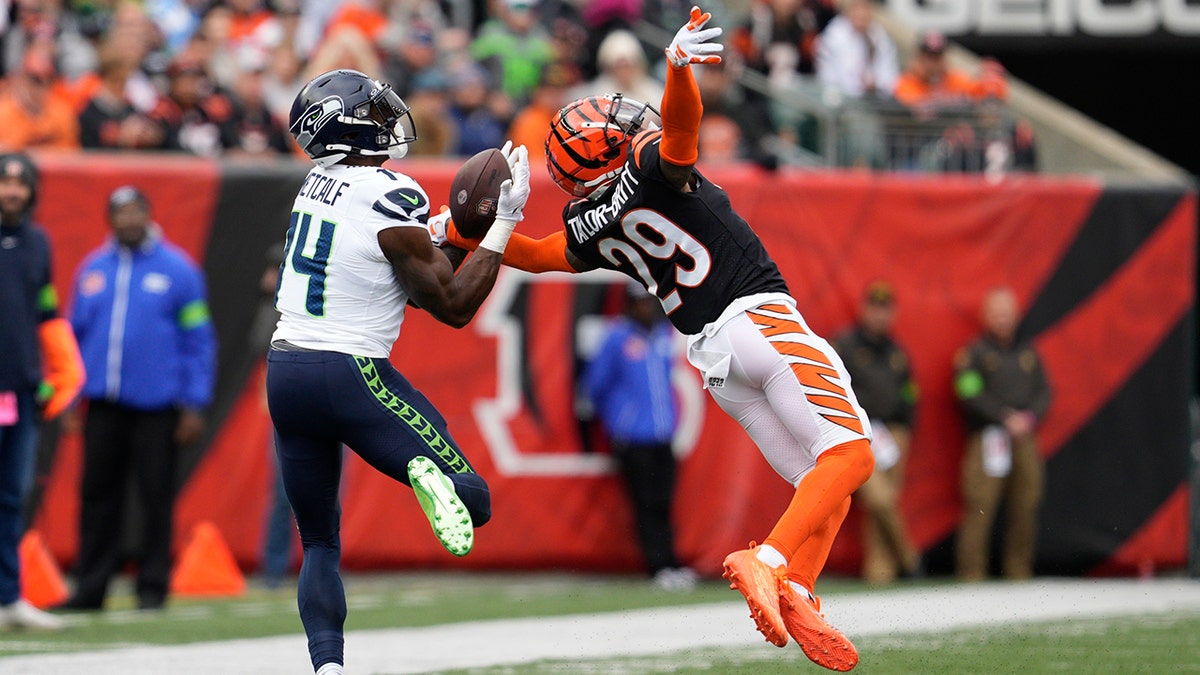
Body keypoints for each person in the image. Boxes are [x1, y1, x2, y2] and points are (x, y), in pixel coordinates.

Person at [440, 8, 872, 671]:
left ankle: (798, 589)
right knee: (851, 454)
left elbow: (531, 255)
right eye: (616, 122)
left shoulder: (588, 223)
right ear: (613, 150)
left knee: (824, 484)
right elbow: (680, 128)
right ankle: (770, 560)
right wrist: (676, 69)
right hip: (755, 319)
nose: (625, 116)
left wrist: (467, 227)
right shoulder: (649, 165)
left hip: (715, 361)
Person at [271, 68, 528, 675]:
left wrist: (435, 237)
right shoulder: (392, 194)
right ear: (353, 127)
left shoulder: (315, 184)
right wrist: (504, 222)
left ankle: (327, 666)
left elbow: (389, 269)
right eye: (379, 114)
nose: (391, 123)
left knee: (319, 542)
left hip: (286, 371)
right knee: (473, 500)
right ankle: (419, 469)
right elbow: (453, 306)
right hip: (349, 371)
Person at [60, 185, 216, 612]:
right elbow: (74, 337)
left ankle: (152, 587)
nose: (129, 219)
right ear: (110, 219)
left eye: (135, 211)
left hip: (157, 406)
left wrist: (193, 401)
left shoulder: (178, 270)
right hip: (103, 405)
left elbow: (198, 339)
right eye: (121, 213)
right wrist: (70, 395)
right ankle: (90, 588)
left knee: (154, 498)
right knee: (96, 497)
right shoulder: (93, 270)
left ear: (148, 214)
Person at [0, 153, 81, 631]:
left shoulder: (38, 242)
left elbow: (46, 309)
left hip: (24, 392)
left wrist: (62, 369)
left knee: (12, 497)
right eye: (5, 181)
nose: (12, 190)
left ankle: (9, 598)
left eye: (20, 182)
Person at [582, 282, 696, 592]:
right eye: (639, 303)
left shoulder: (662, 336)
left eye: (649, 303)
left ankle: (671, 562)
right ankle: (657, 566)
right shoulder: (616, 338)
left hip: (662, 436)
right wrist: (618, 422)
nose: (645, 308)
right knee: (645, 505)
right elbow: (595, 387)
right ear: (628, 306)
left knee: (664, 503)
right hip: (633, 439)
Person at [953, 286, 1051, 582]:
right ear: (986, 316)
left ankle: (1018, 569)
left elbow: (1045, 392)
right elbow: (967, 391)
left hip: (1024, 437)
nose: (1003, 319)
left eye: (1007, 312)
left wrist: (1029, 418)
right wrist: (1003, 416)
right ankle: (972, 573)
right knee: (981, 504)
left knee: (1027, 502)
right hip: (989, 437)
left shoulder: (1027, 352)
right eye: (997, 313)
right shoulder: (973, 354)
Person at [831, 281, 921, 585]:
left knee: (882, 506)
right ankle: (909, 559)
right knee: (881, 499)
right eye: (875, 308)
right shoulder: (845, 345)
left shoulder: (897, 352)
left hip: (893, 436)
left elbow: (909, 392)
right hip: (860, 433)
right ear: (864, 309)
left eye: (886, 309)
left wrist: (906, 429)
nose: (880, 316)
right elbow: (831, 388)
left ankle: (879, 574)